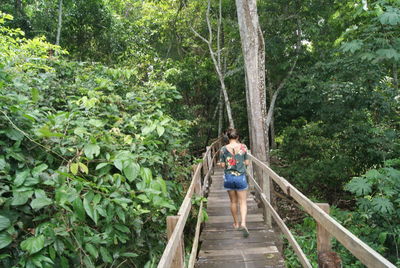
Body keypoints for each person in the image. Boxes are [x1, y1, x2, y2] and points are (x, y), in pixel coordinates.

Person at [218, 128, 250, 237]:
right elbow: (247, 162)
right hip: (240, 177)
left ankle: (236, 223)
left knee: (233, 202)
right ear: (237, 137)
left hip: (229, 178)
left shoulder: (223, 149)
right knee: (243, 202)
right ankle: (243, 223)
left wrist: (223, 164)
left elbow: (222, 165)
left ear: (228, 137)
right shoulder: (243, 147)